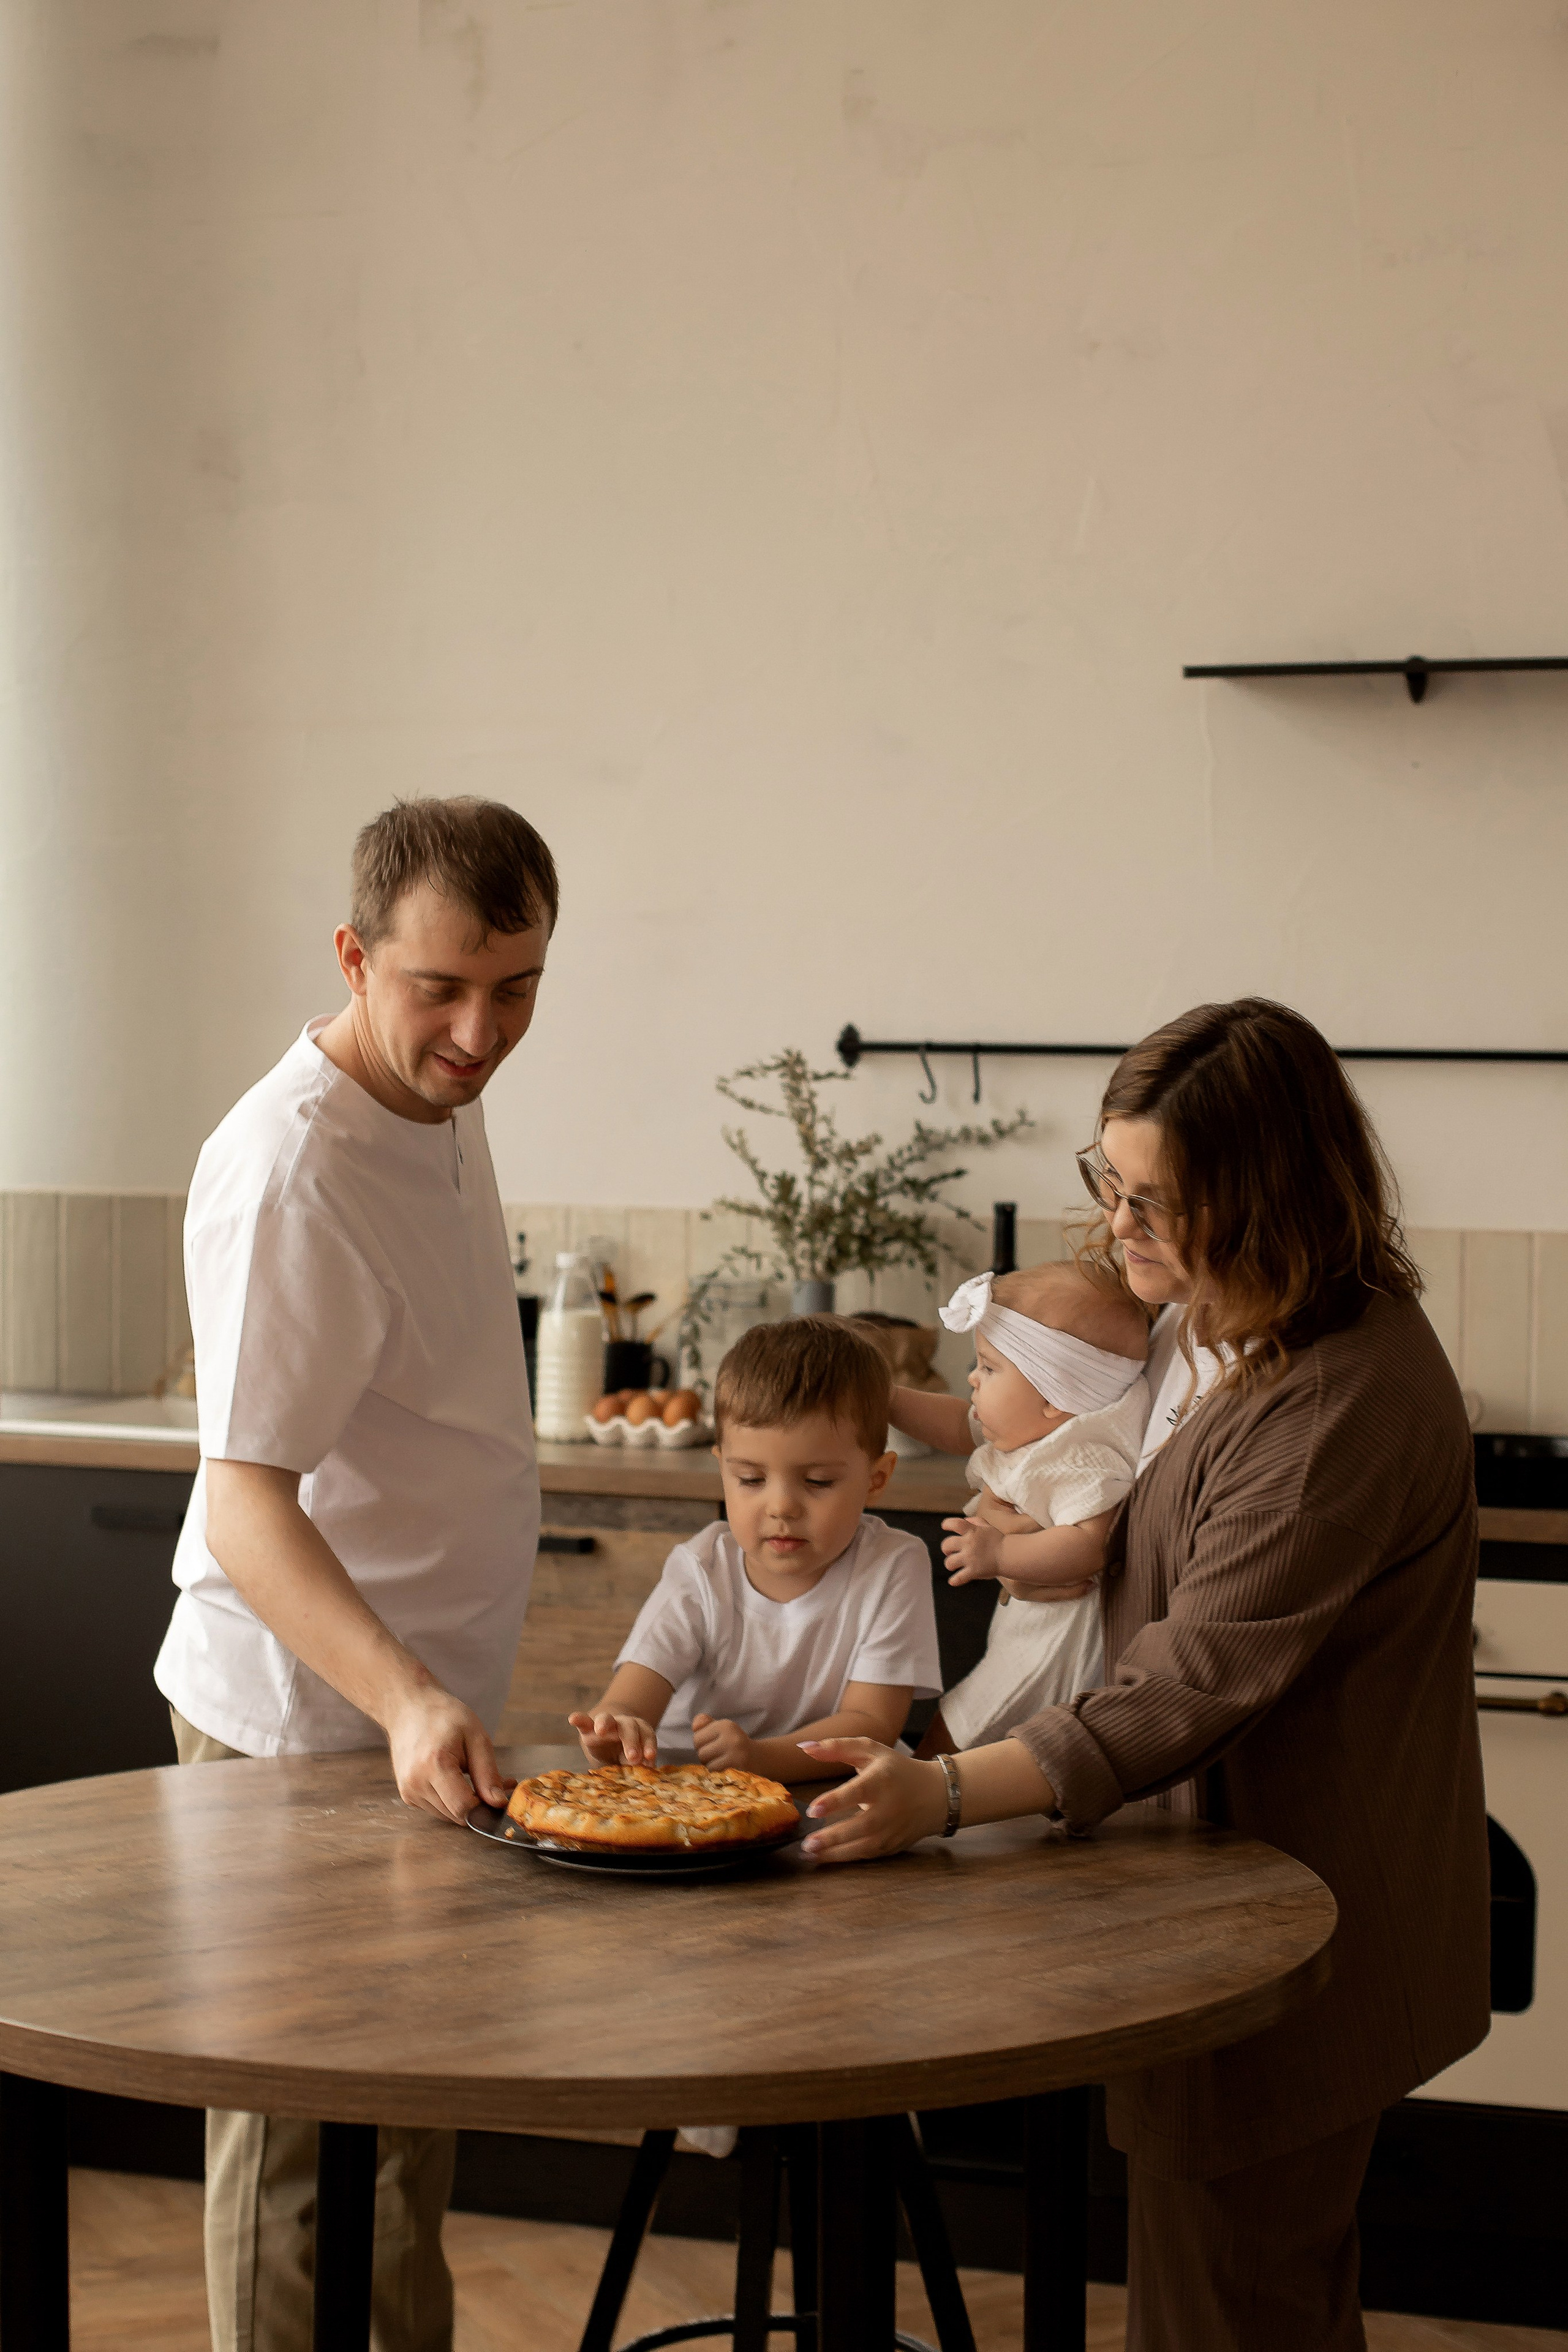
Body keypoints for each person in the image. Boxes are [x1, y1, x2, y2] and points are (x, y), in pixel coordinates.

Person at [797, 998, 1490, 2352]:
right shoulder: (1206, 1315)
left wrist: (939, 1795)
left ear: (1267, 1196)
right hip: (1224, 1901)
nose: (1118, 1231)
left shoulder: (1336, 1400)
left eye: (1156, 1204)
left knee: (1228, 2312)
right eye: (1108, 1187)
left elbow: (1184, 1684)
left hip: (1300, 1921)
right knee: (1247, 2294)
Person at [153, 796, 556, 2352]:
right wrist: (396, 1696)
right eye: (442, 987)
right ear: (353, 954)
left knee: (398, 2131)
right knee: (295, 2148)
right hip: (300, 1714)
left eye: (515, 985)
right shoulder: (289, 1169)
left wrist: (424, 1697)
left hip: (416, 1710)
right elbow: (243, 1497)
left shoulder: (435, 1092)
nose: (479, 1030)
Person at [572, 1316, 941, 1780]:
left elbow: (872, 1725)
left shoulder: (892, 1565)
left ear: (876, 1479)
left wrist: (763, 1759)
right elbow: (636, 1690)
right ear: (723, 1469)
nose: (782, 1507)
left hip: (822, 1790)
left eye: (818, 1481)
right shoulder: (702, 1567)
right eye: (750, 1479)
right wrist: (617, 1727)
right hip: (687, 1788)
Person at [889, 1261, 1150, 1754]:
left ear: (1056, 1396)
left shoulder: (1082, 1453)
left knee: (968, 1723)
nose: (972, 1378)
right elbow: (956, 1426)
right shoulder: (1039, 1426)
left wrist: (1002, 1555)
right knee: (980, 1729)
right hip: (1027, 1626)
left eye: (988, 1367)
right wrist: (887, 1399)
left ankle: (917, 1791)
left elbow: (1090, 1543)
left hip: (1055, 1644)